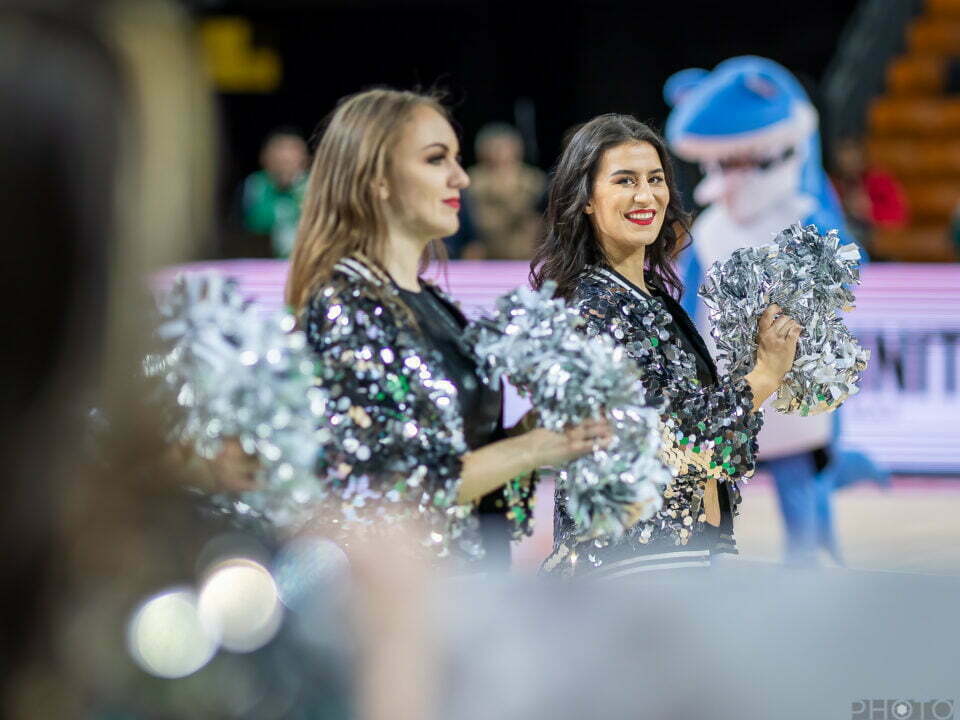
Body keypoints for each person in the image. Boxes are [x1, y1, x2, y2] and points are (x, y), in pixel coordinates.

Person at [285, 88, 610, 569]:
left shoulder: (433, 301)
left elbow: (461, 456)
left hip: (468, 593)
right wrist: (532, 447)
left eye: (457, 159)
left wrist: (541, 431)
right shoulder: (345, 304)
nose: (460, 177)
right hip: (406, 604)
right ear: (375, 178)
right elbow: (386, 487)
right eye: (437, 160)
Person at [532, 114, 801, 579]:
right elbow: (679, 439)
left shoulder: (651, 298)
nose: (646, 196)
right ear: (587, 200)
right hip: (629, 573)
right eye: (625, 181)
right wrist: (764, 375)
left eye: (655, 179)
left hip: (677, 563)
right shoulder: (593, 309)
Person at [664, 57, 886, 566]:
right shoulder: (713, 225)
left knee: (798, 481)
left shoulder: (805, 211)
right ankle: (705, 565)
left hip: (792, 378)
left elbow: (849, 266)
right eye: (725, 164)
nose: (736, 175)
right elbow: (688, 295)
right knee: (709, 483)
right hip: (727, 378)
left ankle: (811, 562)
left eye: (749, 162)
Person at [462, 122, 546, 260]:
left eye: (504, 146)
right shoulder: (471, 181)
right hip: (484, 257)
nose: (499, 152)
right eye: (493, 146)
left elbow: (540, 220)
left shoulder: (533, 180)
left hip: (526, 255)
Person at [241, 127, 309, 258]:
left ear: (305, 158)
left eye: (292, 150)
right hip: (265, 261)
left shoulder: (314, 184)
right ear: (264, 157)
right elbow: (254, 223)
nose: (285, 158)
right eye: (279, 150)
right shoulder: (256, 183)